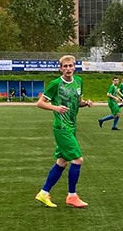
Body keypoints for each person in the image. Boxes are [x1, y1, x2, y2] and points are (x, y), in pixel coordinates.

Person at [35, 55, 93, 208]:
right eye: (65, 66)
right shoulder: (55, 84)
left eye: (70, 66)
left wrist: (85, 103)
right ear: (60, 68)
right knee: (78, 159)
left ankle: (43, 193)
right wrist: (55, 107)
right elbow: (40, 103)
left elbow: (78, 101)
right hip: (61, 127)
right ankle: (72, 196)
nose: (68, 69)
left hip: (72, 126)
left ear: (75, 67)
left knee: (62, 161)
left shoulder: (79, 81)